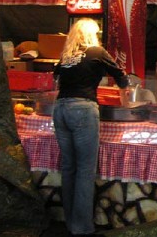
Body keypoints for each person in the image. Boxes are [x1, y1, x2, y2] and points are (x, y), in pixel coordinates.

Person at [52, 18, 129, 236]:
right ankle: (82, 228)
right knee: (85, 170)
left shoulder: (66, 55)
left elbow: (56, 79)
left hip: (60, 109)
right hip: (82, 109)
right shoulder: (97, 51)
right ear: (91, 34)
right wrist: (125, 92)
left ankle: (70, 222)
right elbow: (120, 76)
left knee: (69, 167)